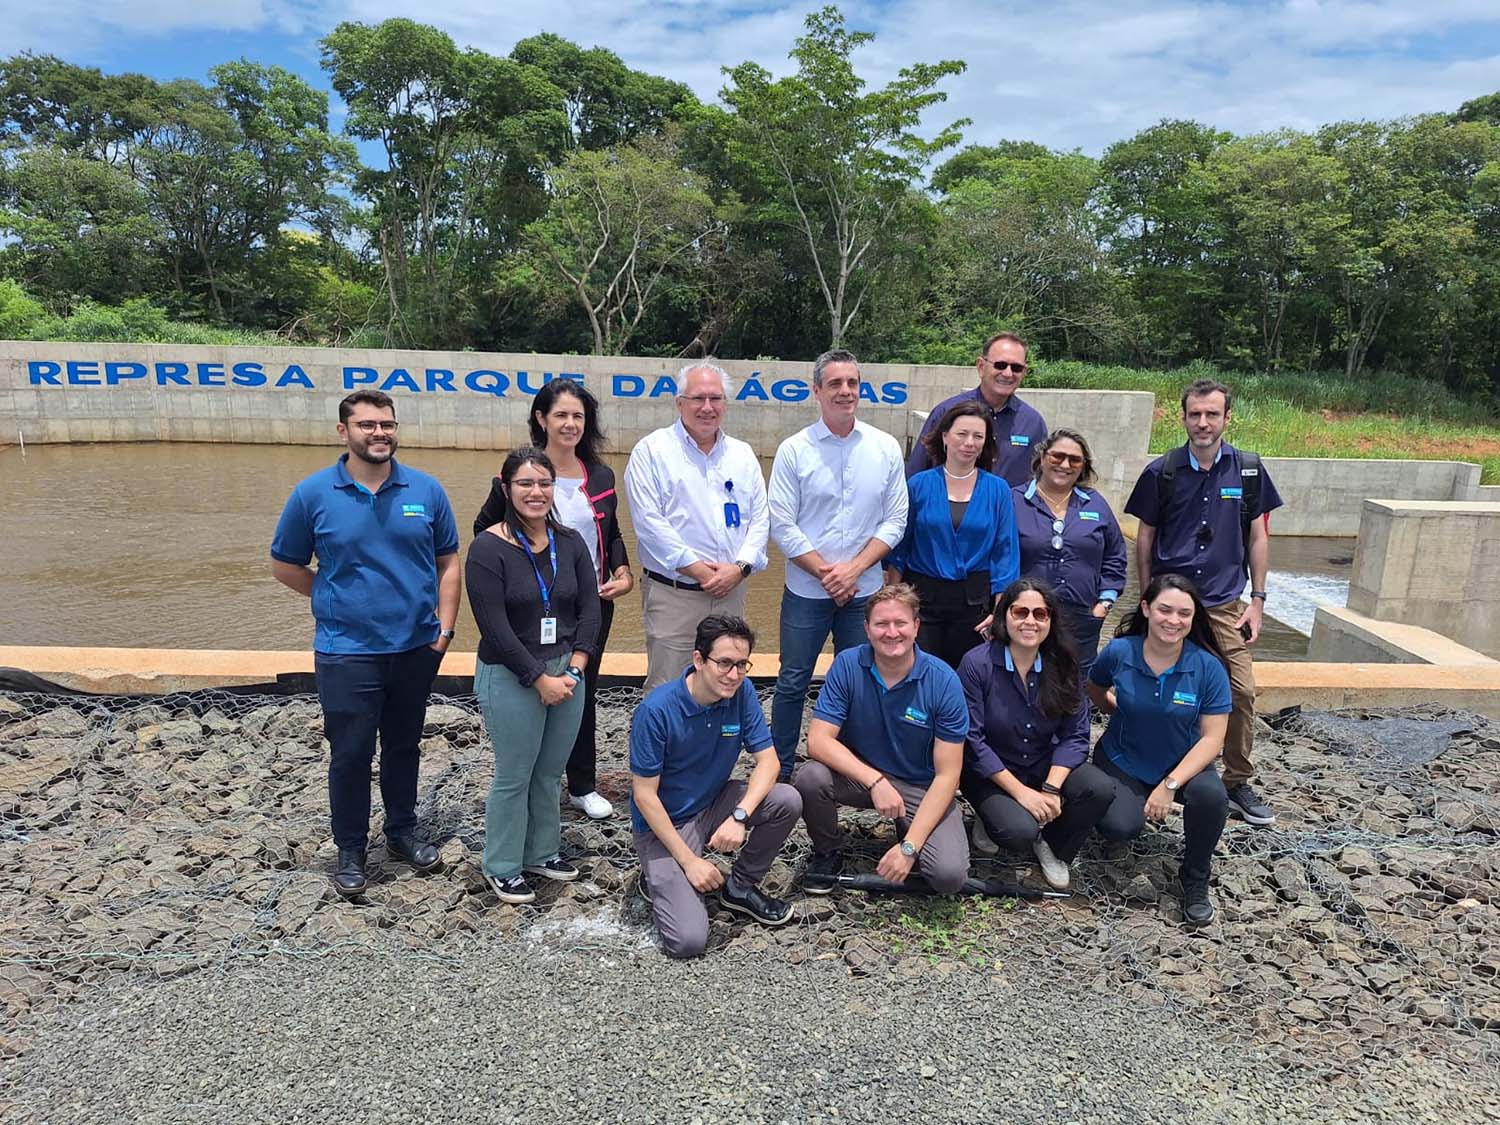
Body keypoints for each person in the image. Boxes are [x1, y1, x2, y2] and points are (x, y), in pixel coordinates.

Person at [270, 390, 460, 898]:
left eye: (388, 425)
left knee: (404, 746)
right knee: (350, 753)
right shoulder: (313, 494)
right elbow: (285, 565)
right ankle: (350, 848)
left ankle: (401, 831)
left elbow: (448, 562)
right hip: (346, 649)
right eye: (368, 425)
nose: (380, 433)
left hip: (416, 646)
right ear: (343, 432)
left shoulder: (425, 490)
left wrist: (444, 629)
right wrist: (332, 597)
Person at [1124, 378, 1283, 827]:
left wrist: (1258, 600)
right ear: (1183, 417)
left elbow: (1258, 535)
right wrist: (1148, 596)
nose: (1203, 422)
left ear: (1227, 418)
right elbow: (1146, 537)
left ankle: (1235, 781)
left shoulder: (1248, 471)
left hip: (1221, 605)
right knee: (1153, 687)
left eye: (1212, 414)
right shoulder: (1163, 471)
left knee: (1240, 691)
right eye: (1195, 414)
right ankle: (1144, 766)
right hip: (1171, 604)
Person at [473, 380, 632, 821]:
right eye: (560, 414)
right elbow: (484, 533)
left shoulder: (598, 476)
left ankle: (581, 784)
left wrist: (622, 572)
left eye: (578, 416)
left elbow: (611, 533)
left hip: (589, 604)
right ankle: (530, 778)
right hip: (532, 605)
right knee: (531, 687)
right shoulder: (519, 475)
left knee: (582, 690)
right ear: (541, 418)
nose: (570, 424)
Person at [467, 448, 601, 904]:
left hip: (568, 672)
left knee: (549, 773)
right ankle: (502, 864)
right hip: (510, 674)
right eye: (525, 484)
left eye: (544, 483)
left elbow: (590, 610)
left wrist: (576, 670)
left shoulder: (570, 543)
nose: (536, 492)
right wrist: (537, 678)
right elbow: (494, 627)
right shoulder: (488, 548)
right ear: (505, 489)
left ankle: (542, 851)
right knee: (515, 773)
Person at [767, 348, 908, 780]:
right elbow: (782, 524)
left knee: (860, 685)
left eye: (852, 384)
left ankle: (848, 771)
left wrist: (853, 570)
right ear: (817, 391)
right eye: (835, 384)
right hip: (807, 593)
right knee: (792, 681)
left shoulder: (884, 448)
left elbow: (895, 519)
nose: (845, 392)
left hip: (864, 593)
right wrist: (829, 573)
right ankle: (780, 769)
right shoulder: (794, 450)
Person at [630, 615, 802, 958]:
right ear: (698, 660)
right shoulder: (656, 711)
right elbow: (644, 796)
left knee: (787, 799)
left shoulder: (742, 692)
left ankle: (738, 888)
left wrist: (739, 816)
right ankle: (656, 875)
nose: (734, 675)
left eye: (742, 665)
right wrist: (689, 861)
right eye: (724, 663)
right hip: (666, 824)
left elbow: (769, 762)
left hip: (715, 802)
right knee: (688, 942)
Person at [796, 584, 970, 894]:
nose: (892, 633)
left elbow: (948, 775)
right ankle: (827, 850)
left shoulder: (944, 681)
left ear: (916, 626)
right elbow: (818, 741)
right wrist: (876, 782)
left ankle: (909, 838)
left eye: (900, 623)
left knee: (948, 877)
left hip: (920, 786)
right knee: (811, 776)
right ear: (866, 628)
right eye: (881, 624)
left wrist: (910, 848)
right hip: (862, 777)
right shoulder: (848, 664)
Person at [1087, 574, 1232, 926]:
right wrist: (1114, 707)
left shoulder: (1207, 667)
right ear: (1146, 608)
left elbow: (1213, 739)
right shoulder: (1121, 651)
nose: (1173, 620)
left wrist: (1169, 786)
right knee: (1121, 827)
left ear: (1194, 617)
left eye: (1184, 613)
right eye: (1165, 609)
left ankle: (1195, 877)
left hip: (1181, 763)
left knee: (1213, 797)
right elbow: (1094, 686)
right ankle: (1121, 815)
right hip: (1123, 759)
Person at [958, 579, 1114, 889]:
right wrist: (1022, 794)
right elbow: (972, 741)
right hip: (989, 773)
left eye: (1040, 614)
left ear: (1051, 621)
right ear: (1004, 617)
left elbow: (1076, 735)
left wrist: (1051, 789)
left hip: (1041, 762)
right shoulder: (977, 664)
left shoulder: (1066, 664)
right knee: (1017, 833)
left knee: (1099, 789)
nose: (1030, 621)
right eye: (1020, 612)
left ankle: (1054, 846)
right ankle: (989, 817)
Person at [624, 362, 770, 692]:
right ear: (679, 403)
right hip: (674, 595)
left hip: (731, 591)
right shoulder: (652, 452)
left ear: (725, 403)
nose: (707, 407)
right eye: (698, 398)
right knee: (667, 687)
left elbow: (760, 520)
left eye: (716, 398)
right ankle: (658, 746)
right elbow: (650, 525)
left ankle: (718, 745)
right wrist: (703, 573)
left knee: (725, 682)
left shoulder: (743, 455)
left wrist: (740, 568)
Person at [888, 401, 1018, 669]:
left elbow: (1005, 553)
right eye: (962, 434)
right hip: (921, 599)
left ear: (985, 443)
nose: (969, 442)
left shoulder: (998, 490)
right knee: (918, 673)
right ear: (945, 436)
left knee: (967, 677)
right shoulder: (918, 485)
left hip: (974, 606)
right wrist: (893, 599)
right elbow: (901, 547)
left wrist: (999, 611)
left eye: (978, 436)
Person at [1011, 429, 1127, 678]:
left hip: (1082, 617)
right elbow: (997, 555)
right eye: (1057, 456)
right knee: (1024, 680)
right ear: (1042, 457)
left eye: (1075, 460)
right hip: (1026, 616)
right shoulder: (1014, 500)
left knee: (1075, 688)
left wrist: (1105, 602)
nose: (1065, 465)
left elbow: (1115, 555)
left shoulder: (1095, 503)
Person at [906, 331, 1048, 486]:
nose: (1008, 373)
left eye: (1016, 368)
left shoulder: (1033, 424)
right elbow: (916, 473)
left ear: (1024, 373)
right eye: (1000, 365)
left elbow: (1041, 481)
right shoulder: (946, 412)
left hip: (1009, 510)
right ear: (981, 366)